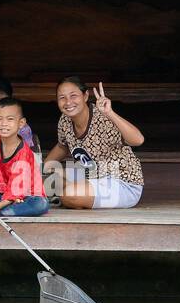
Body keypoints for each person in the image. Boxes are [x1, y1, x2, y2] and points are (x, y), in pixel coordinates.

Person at [44, 78, 144, 209]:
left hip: (122, 183)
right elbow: (62, 145)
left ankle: (66, 199)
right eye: (62, 97)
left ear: (85, 96)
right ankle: (65, 198)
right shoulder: (65, 120)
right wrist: (43, 167)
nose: (68, 102)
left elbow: (138, 140)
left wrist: (110, 113)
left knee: (70, 194)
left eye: (73, 96)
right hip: (91, 179)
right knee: (45, 182)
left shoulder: (103, 117)